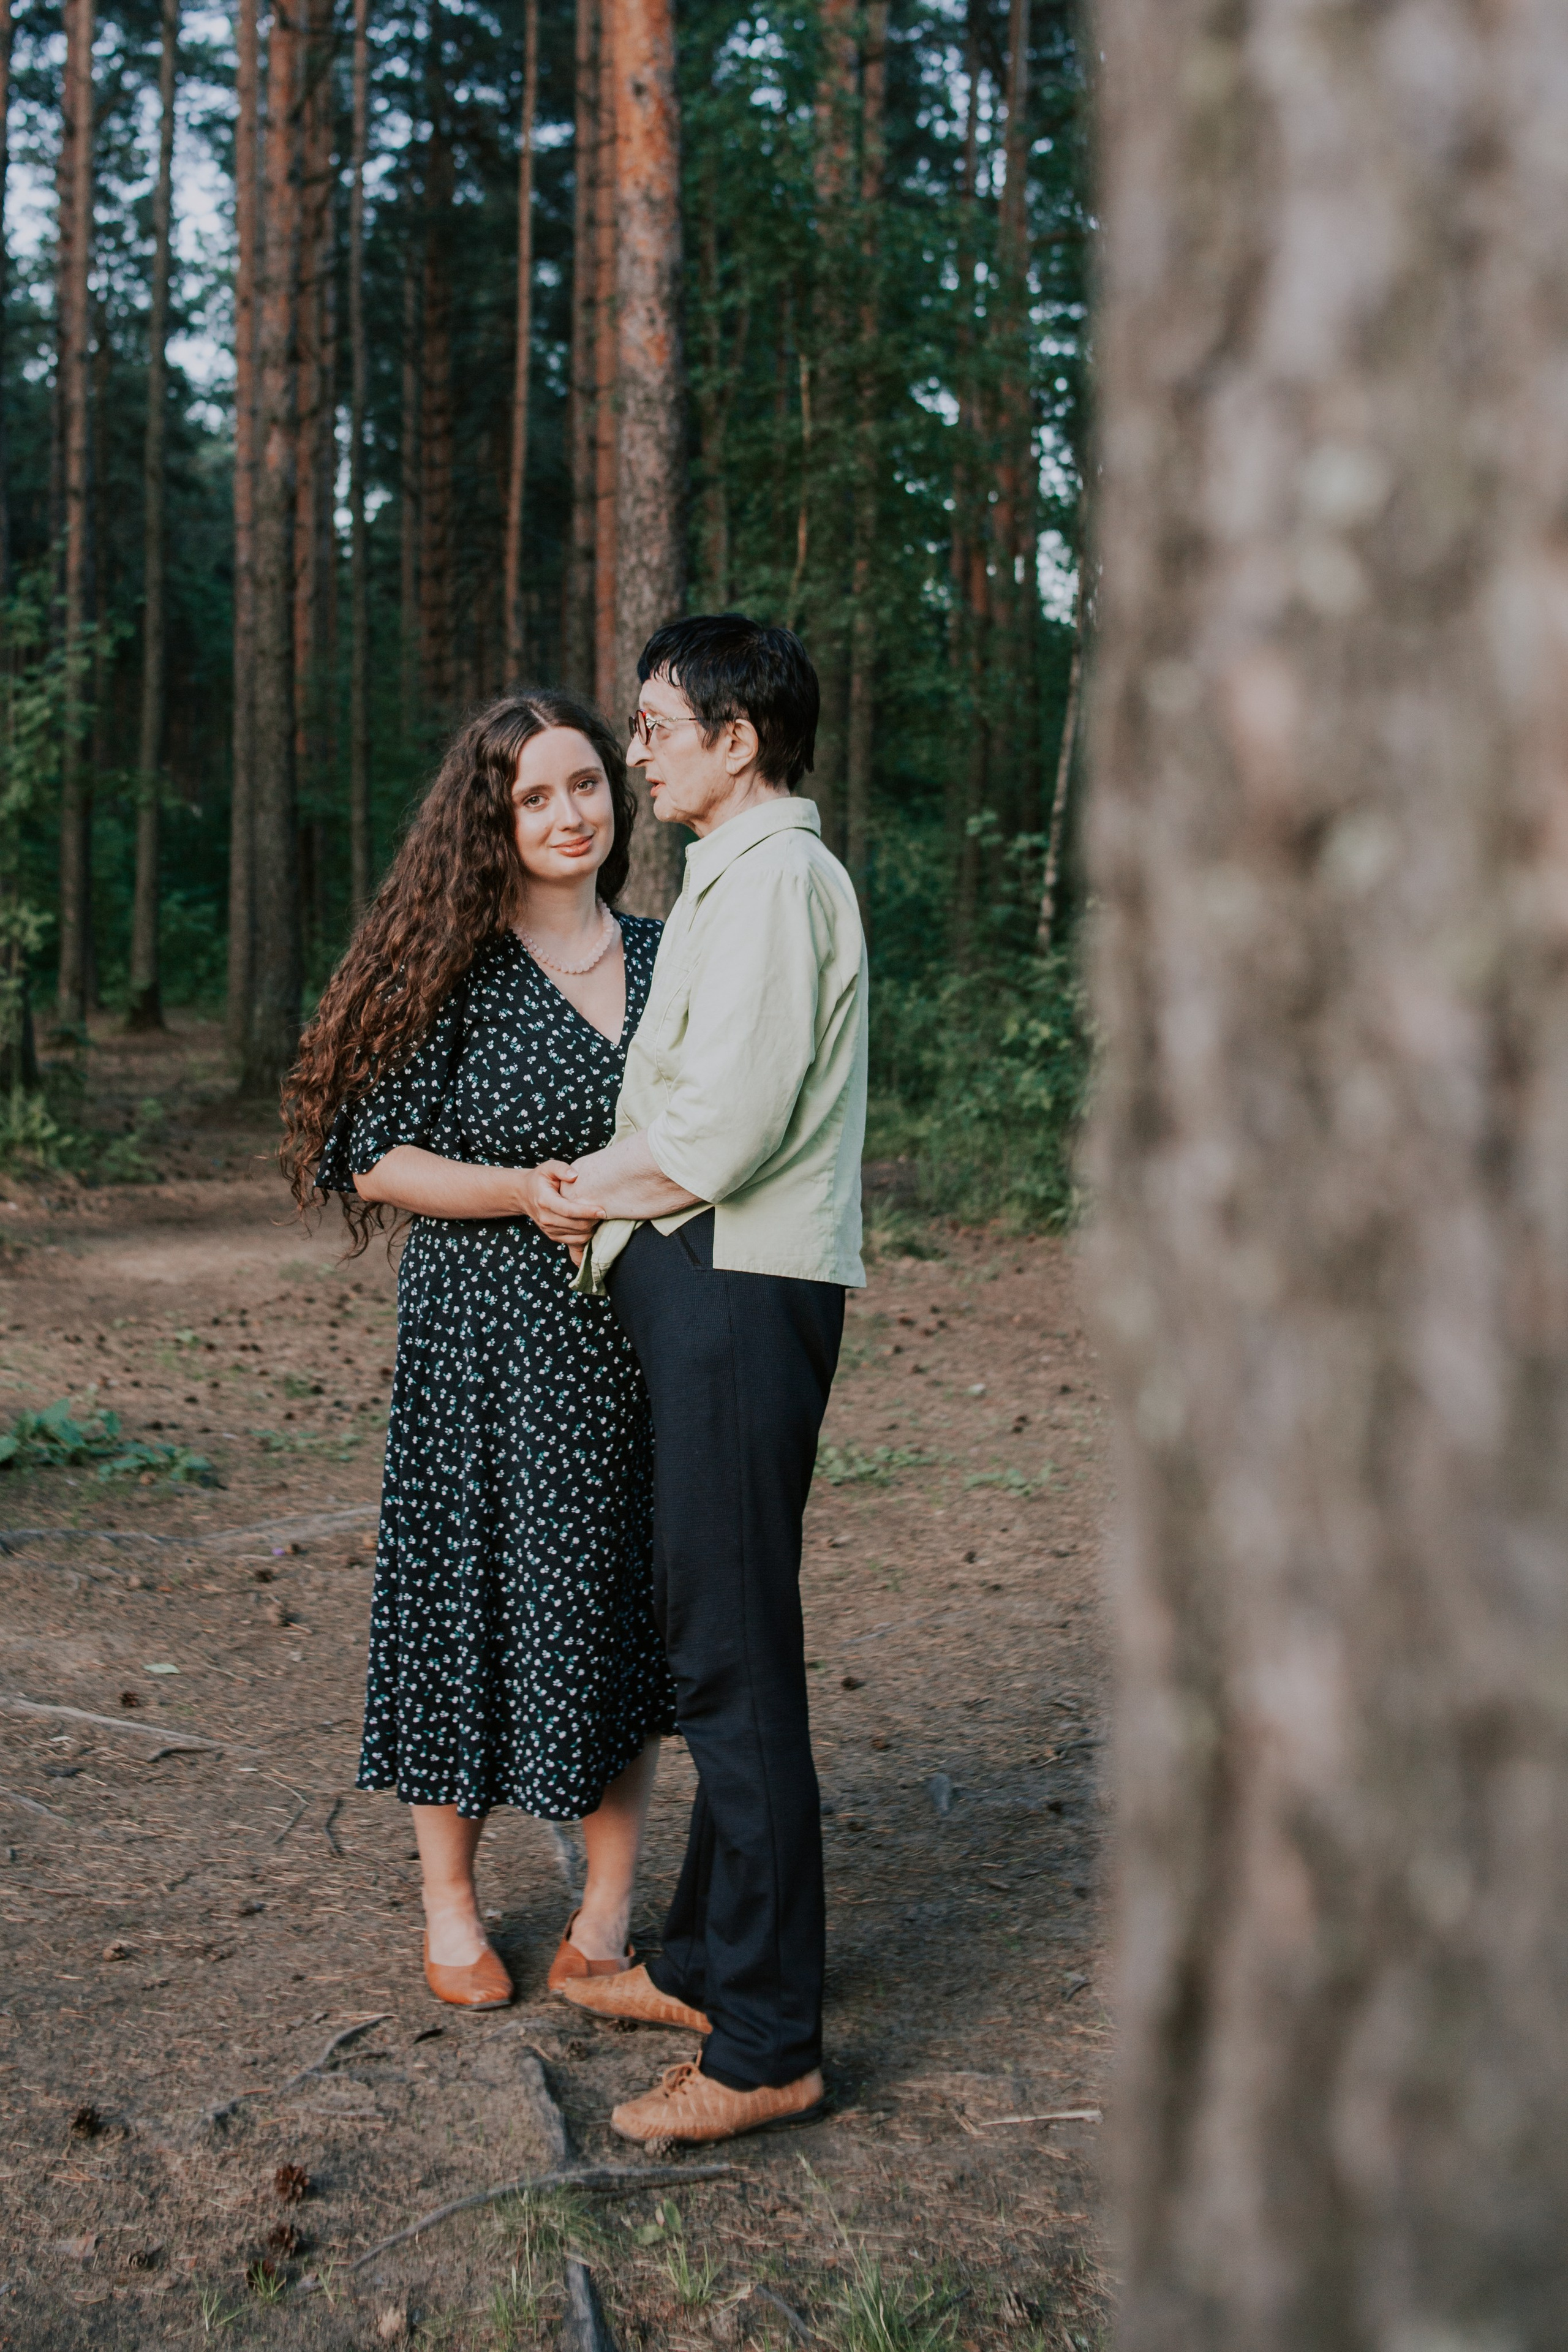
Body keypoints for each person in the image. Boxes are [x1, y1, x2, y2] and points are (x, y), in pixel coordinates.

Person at [280, 692, 676, 2012]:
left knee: (621, 1607)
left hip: (639, 1331)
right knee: (462, 1605)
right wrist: (524, 1189)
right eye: (534, 797)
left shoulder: (673, 956)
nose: (569, 815)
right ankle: (449, 1905)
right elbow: (374, 1155)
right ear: (490, 823)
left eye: (586, 786)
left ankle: (604, 1916)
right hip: (482, 1336)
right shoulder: (448, 964)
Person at [554, 615, 869, 2147]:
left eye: (660, 728)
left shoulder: (776, 885)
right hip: (705, 1276)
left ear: (738, 742)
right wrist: (606, 1190)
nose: (638, 753)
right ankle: (697, 1962)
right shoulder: (737, 880)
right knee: (714, 1636)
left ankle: (763, 2052)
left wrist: (581, 1186)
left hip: (735, 1280)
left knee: (733, 1661)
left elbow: (719, 1132)